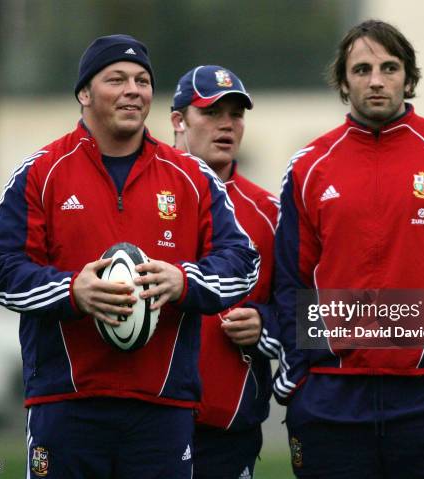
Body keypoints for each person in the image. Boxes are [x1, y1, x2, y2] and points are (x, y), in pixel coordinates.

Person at [0, 35, 260, 479]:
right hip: (66, 403)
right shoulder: (42, 172)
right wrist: (72, 291)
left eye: (143, 80)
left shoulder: (191, 177)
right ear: (84, 94)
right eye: (117, 79)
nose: (134, 89)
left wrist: (183, 283)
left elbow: (243, 261)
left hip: (162, 409)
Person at [273, 20, 424, 478]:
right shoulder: (309, 166)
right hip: (331, 400)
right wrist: (299, 378)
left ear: (408, 78)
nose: (375, 80)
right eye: (361, 69)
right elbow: (289, 280)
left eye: (388, 67)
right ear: (344, 82)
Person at [170, 65, 279, 479]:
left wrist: (264, 323)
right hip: (145, 420)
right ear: (179, 120)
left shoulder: (268, 213)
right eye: (212, 112)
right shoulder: (140, 192)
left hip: (227, 425)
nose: (227, 125)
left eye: (236, 114)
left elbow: (296, 305)